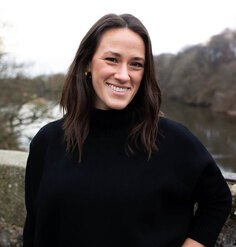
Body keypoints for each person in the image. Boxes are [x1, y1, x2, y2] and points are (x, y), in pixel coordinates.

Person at [23, 13, 232, 247]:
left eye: (136, 64)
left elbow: (218, 200)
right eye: (112, 59)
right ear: (86, 64)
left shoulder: (174, 141)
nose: (123, 75)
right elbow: (34, 225)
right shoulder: (47, 141)